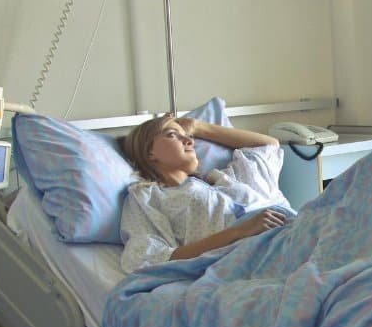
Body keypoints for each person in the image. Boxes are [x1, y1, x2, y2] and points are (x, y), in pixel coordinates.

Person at [118, 114, 291, 272]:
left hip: (288, 233)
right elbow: (147, 258)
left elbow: (268, 145)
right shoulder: (147, 197)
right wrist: (238, 232)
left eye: (189, 136)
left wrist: (198, 127)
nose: (188, 140)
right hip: (254, 258)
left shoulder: (223, 180)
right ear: (149, 152)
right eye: (172, 134)